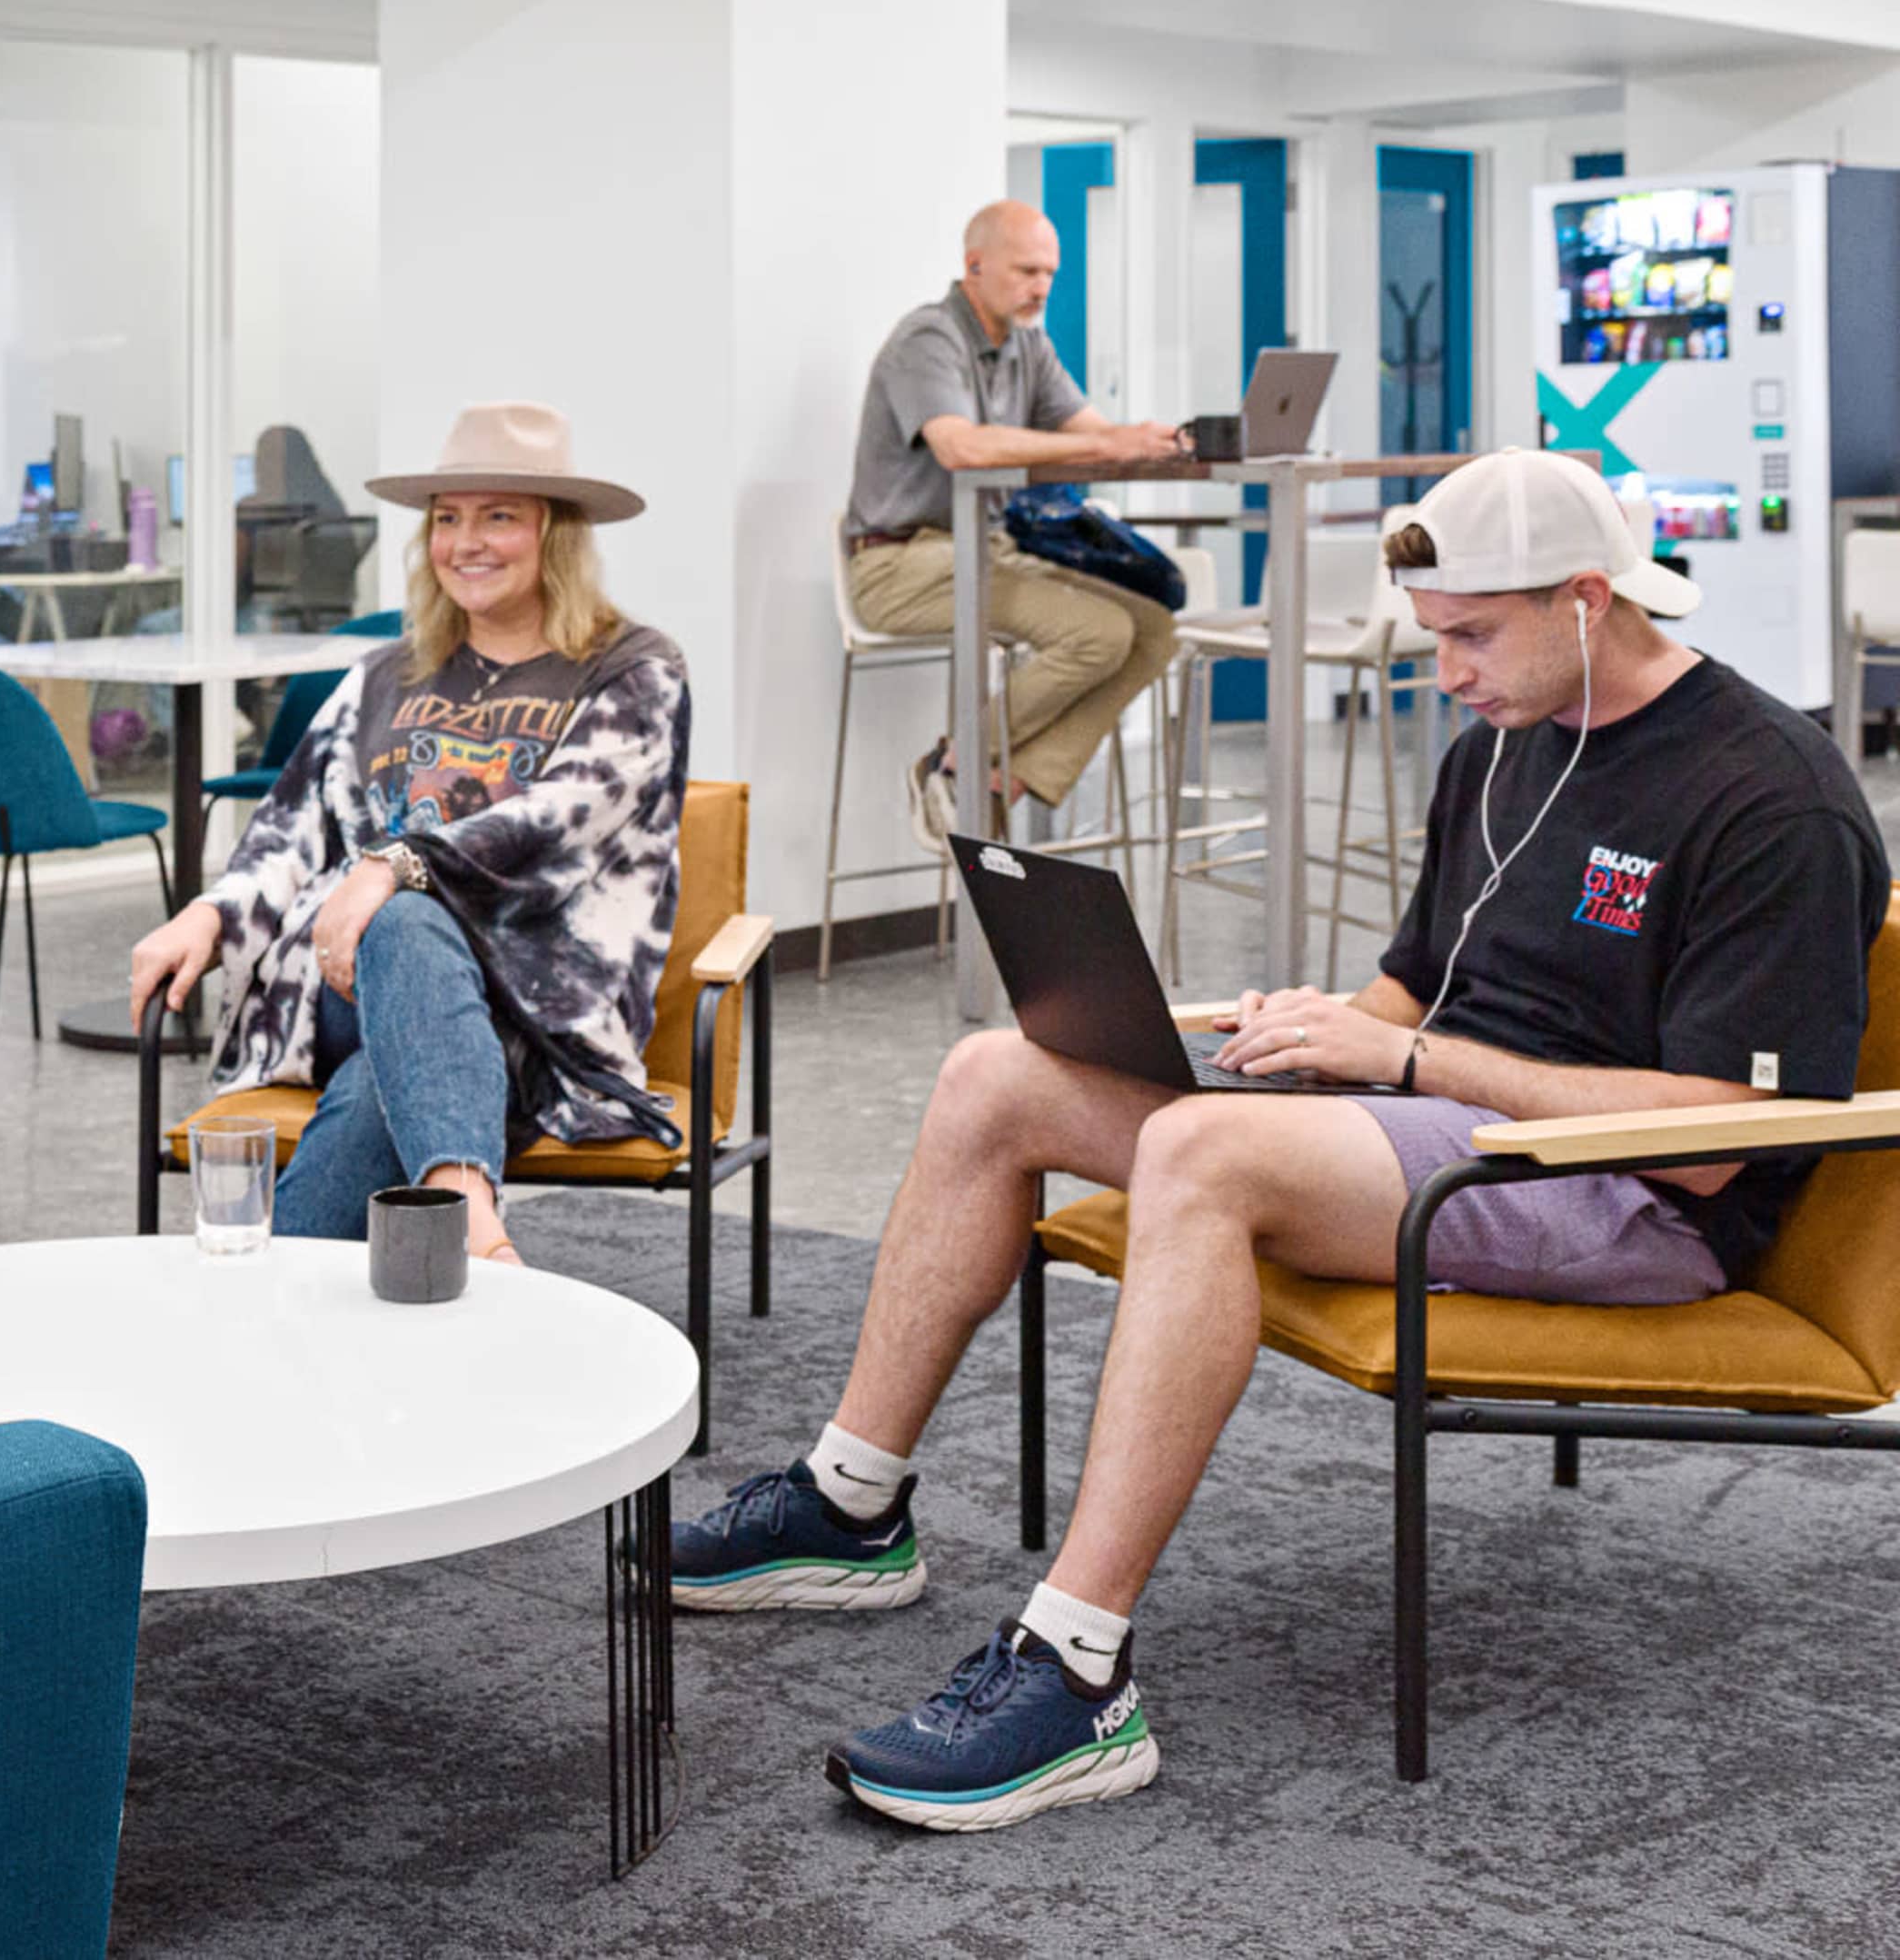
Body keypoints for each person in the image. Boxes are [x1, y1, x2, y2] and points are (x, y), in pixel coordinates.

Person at [674, 447, 1888, 1831]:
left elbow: (1719, 1142)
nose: (1450, 674)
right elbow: (1413, 989)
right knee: (994, 1075)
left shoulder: (1767, 795)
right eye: (1436, 639)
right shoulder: (1501, 741)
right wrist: (1308, 1036)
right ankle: (851, 1505)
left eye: (1473, 636)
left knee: (1206, 1154)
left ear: (1588, 598)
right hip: (1439, 1129)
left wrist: (1407, 1059)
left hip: (1623, 1197)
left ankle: (1077, 1676)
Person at [126, 402, 689, 1262]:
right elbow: (288, 830)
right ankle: (463, 1205)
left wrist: (391, 868)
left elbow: (557, 819)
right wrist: (208, 914)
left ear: (556, 535)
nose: (467, 542)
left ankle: (275, 1314)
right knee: (400, 937)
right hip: (347, 983)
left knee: (381, 1076)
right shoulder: (384, 674)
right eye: (448, 518)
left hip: (533, 1006)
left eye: (499, 516)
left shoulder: (632, 671)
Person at [843, 199, 1189, 847]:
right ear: (975, 266)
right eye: (1027, 270)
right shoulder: (928, 339)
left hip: (984, 549)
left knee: (1154, 630)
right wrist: (1105, 447)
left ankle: (995, 777)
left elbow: (1094, 433)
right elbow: (961, 447)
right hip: (897, 565)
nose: (1041, 288)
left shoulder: (1027, 344)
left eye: (1050, 274)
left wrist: (1153, 439)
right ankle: (957, 765)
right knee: (1099, 633)